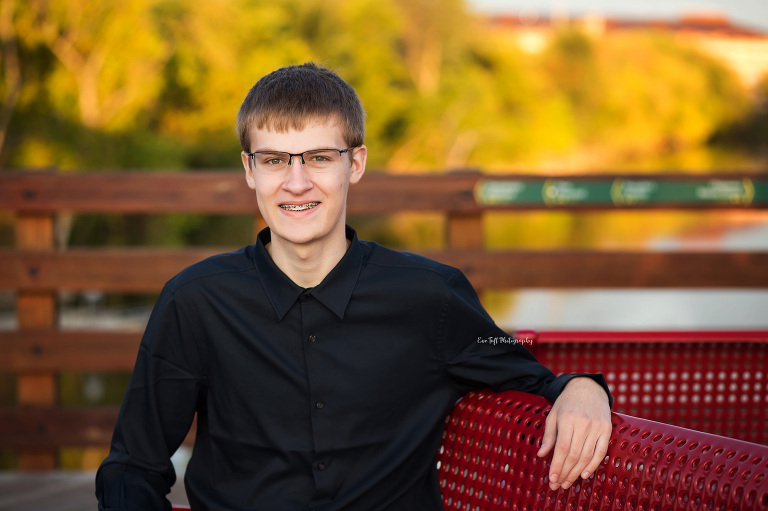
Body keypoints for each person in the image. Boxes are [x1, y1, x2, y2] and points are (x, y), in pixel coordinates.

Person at [96, 62, 613, 510]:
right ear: (249, 170)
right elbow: (133, 467)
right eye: (274, 159)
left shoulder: (430, 297)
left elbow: (526, 370)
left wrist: (582, 387)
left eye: (319, 157)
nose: (296, 183)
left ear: (356, 164)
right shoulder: (195, 301)